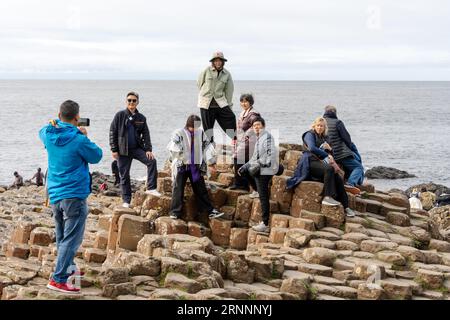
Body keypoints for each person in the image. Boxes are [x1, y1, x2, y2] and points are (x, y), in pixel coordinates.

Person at [39, 100, 102, 294]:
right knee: (71, 239)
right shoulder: (78, 139)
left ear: (59, 116)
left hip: (55, 194)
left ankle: (68, 269)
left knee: (62, 236)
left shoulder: (48, 134)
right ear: (77, 118)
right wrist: (83, 135)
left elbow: (41, 130)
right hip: (74, 195)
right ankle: (58, 280)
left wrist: (55, 123)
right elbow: (97, 156)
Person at [286, 117, 357, 218]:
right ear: (314, 125)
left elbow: (330, 155)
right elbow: (311, 148)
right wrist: (326, 154)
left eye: (322, 126)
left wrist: (330, 149)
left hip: (320, 164)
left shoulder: (325, 138)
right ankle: (327, 197)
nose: (319, 127)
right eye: (318, 125)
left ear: (324, 127)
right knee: (329, 169)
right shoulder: (309, 134)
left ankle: (346, 207)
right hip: (308, 162)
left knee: (338, 178)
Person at [167, 114, 224, 220]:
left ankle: (210, 211)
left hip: (195, 166)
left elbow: (208, 147)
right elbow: (173, 147)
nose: (195, 129)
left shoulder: (200, 133)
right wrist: (178, 158)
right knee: (178, 188)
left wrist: (211, 161)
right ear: (188, 124)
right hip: (182, 165)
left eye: (197, 126)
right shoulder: (178, 133)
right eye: (193, 126)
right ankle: (175, 212)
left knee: (201, 188)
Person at [109, 91, 161, 208]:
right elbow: (112, 132)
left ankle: (151, 188)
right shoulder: (120, 115)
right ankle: (126, 200)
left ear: (137, 102)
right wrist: (114, 149)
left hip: (137, 148)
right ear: (126, 102)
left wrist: (148, 149)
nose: (131, 102)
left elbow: (146, 134)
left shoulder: (141, 118)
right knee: (124, 175)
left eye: (134, 100)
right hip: (123, 150)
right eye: (129, 100)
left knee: (152, 161)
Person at [238, 117, 281, 233]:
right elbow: (253, 158)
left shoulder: (267, 137)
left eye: (258, 125)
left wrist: (259, 164)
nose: (256, 127)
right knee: (244, 171)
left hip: (267, 168)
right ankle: (256, 190)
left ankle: (265, 224)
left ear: (263, 125)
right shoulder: (259, 138)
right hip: (261, 166)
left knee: (263, 196)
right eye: (254, 125)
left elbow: (270, 156)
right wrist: (244, 166)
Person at [197, 51, 236, 145]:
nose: (218, 63)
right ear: (213, 62)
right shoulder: (206, 70)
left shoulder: (227, 74)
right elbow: (199, 83)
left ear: (223, 62)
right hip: (206, 103)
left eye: (220, 61)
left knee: (231, 117)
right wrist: (205, 94)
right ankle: (209, 145)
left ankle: (234, 139)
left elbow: (229, 91)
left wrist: (229, 105)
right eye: (216, 61)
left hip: (220, 102)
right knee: (208, 127)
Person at [323, 105, 364, 194]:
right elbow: (346, 138)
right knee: (358, 166)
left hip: (327, 154)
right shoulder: (338, 122)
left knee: (353, 159)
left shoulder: (321, 122)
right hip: (340, 153)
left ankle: (352, 182)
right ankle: (350, 184)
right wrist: (349, 148)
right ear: (335, 113)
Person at [229, 93, 261, 194]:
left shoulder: (253, 114)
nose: (243, 103)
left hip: (249, 141)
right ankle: (242, 184)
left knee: (237, 158)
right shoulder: (243, 113)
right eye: (242, 101)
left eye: (245, 101)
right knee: (241, 160)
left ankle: (240, 184)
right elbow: (238, 127)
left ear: (250, 102)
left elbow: (255, 126)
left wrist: (245, 135)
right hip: (241, 140)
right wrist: (235, 137)